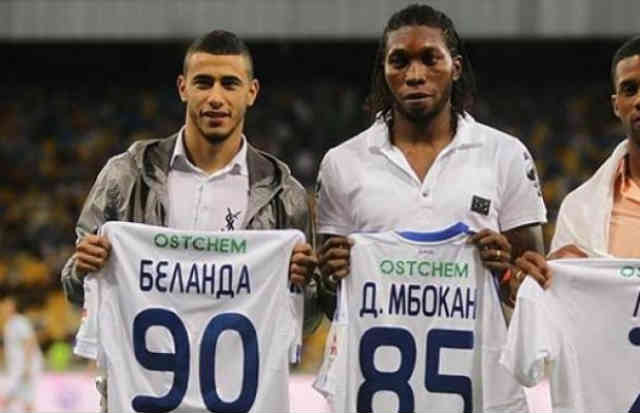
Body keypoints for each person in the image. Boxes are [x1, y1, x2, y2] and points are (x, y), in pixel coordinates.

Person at [60, 29, 321, 405]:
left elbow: (306, 319)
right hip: (143, 398)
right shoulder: (127, 175)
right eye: (204, 82)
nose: (216, 97)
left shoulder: (285, 194)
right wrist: (83, 268)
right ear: (183, 87)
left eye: (229, 83)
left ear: (252, 91)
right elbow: (75, 289)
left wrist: (303, 285)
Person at [315, 3, 547, 312]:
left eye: (430, 59)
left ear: (456, 67)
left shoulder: (506, 154)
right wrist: (330, 281)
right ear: (384, 71)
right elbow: (329, 302)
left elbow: (531, 286)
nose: (414, 75)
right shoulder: (342, 162)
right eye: (399, 62)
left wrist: (506, 272)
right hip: (376, 357)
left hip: (479, 358)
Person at [516, 36, 640, 282]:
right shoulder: (579, 209)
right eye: (630, 89)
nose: (639, 100)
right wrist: (531, 283)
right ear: (616, 106)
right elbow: (566, 304)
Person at [0, 295, 44, 413]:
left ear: (12, 307)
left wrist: (27, 366)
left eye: (6, 305)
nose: (3, 308)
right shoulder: (8, 325)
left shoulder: (19, 321)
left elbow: (30, 342)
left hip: (25, 367)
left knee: (14, 398)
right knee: (21, 400)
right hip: (17, 368)